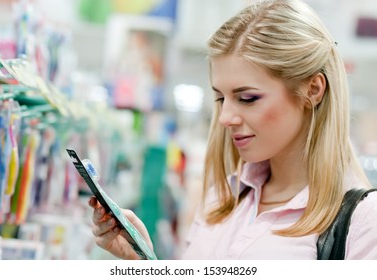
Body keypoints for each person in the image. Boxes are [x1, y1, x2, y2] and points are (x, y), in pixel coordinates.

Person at [88, 0, 377, 259]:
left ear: (312, 90)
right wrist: (143, 260)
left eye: (247, 98)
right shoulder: (222, 199)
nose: (225, 117)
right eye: (220, 98)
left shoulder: (362, 221)